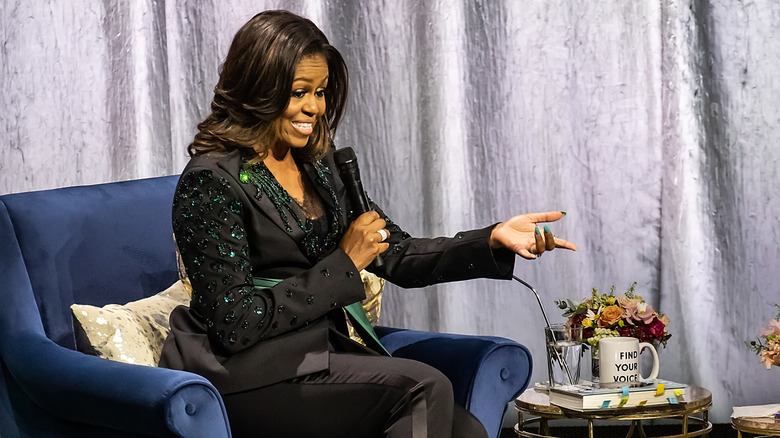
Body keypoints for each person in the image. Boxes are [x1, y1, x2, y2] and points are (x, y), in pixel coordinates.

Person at [159, 9, 577, 438]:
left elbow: (397, 252)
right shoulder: (211, 180)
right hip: (245, 373)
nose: (314, 108)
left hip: (314, 356)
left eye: (320, 92)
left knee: (465, 429)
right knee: (423, 388)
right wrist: (344, 263)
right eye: (299, 92)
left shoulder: (318, 165)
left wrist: (491, 239)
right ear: (258, 88)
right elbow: (234, 321)